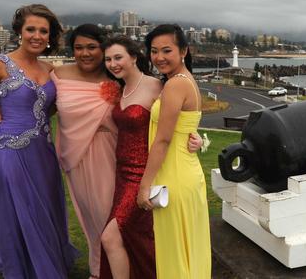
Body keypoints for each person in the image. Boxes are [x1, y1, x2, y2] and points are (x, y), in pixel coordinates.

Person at [0, 4, 78, 278]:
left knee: (44, 211)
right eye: (31, 29)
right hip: (8, 153)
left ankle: (44, 263)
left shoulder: (51, 69)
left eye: (44, 31)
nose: (37, 35)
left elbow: (50, 107)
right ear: (20, 31)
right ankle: (21, 268)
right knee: (15, 214)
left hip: (43, 153)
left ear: (50, 36)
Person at [100, 36, 202, 279]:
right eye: (108, 59)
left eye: (118, 57)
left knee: (110, 236)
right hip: (122, 172)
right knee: (136, 237)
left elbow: (179, 121)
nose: (113, 64)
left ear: (134, 57)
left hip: (143, 172)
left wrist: (197, 138)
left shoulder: (158, 86)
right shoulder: (119, 89)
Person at [137, 24, 211, 279]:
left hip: (175, 175)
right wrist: (199, 141)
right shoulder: (185, 80)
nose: (159, 57)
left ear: (183, 51)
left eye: (166, 50)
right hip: (185, 170)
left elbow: (163, 140)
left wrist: (144, 186)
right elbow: (186, 128)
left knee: (175, 250)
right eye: (154, 51)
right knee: (187, 246)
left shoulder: (175, 85)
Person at [51, 24, 119, 278]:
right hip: (77, 158)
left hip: (112, 155)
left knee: (110, 217)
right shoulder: (57, 75)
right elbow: (34, 104)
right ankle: (99, 269)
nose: (85, 53)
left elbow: (150, 109)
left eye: (92, 47)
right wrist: (5, 111)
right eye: (78, 48)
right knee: (91, 218)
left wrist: (188, 136)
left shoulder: (118, 75)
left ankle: (115, 269)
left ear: (103, 49)